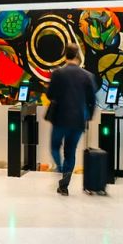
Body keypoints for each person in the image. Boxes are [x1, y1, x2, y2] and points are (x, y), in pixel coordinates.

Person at [45, 43, 97, 196]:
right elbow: (92, 100)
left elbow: (49, 95)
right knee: (70, 151)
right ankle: (64, 183)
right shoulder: (87, 76)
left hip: (60, 118)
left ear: (65, 55)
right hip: (78, 120)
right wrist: (89, 117)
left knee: (55, 146)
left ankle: (60, 169)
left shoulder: (58, 74)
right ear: (77, 55)